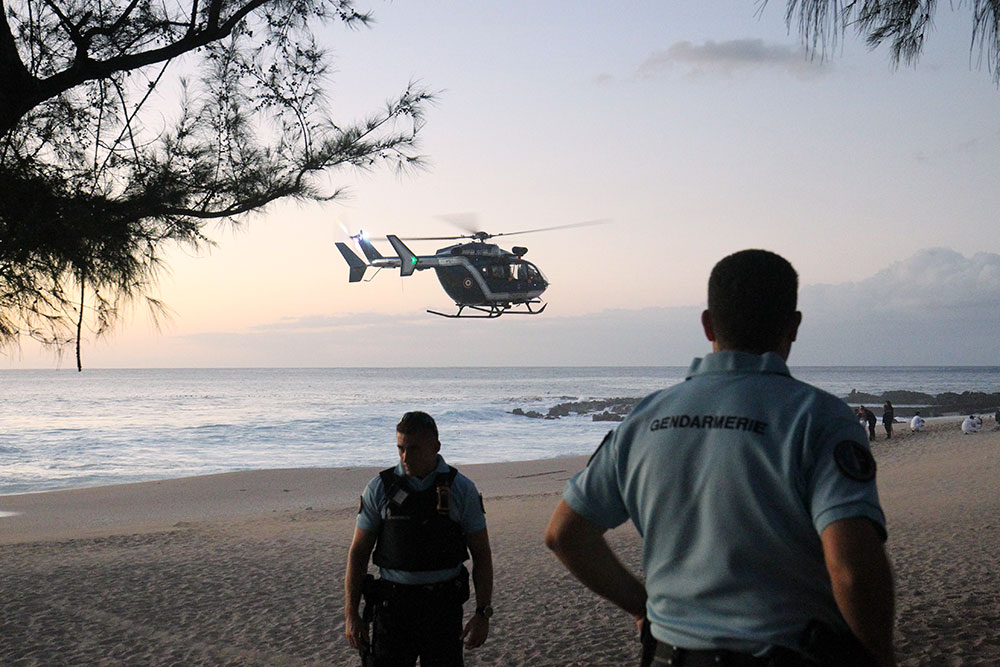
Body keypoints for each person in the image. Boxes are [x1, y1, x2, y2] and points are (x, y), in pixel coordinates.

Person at [545, 249, 896, 667]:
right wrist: (880, 655)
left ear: (708, 323)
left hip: (669, 655)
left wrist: (644, 608)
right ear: (794, 325)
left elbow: (565, 534)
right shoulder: (819, 418)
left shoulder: (645, 418)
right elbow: (852, 568)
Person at [345, 411, 494, 666]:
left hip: (443, 609)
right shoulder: (380, 488)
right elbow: (358, 553)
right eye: (400, 448)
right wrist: (351, 614)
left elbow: (481, 554)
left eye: (413, 448)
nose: (405, 457)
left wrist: (482, 613)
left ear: (435, 446)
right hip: (393, 608)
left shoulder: (461, 489)